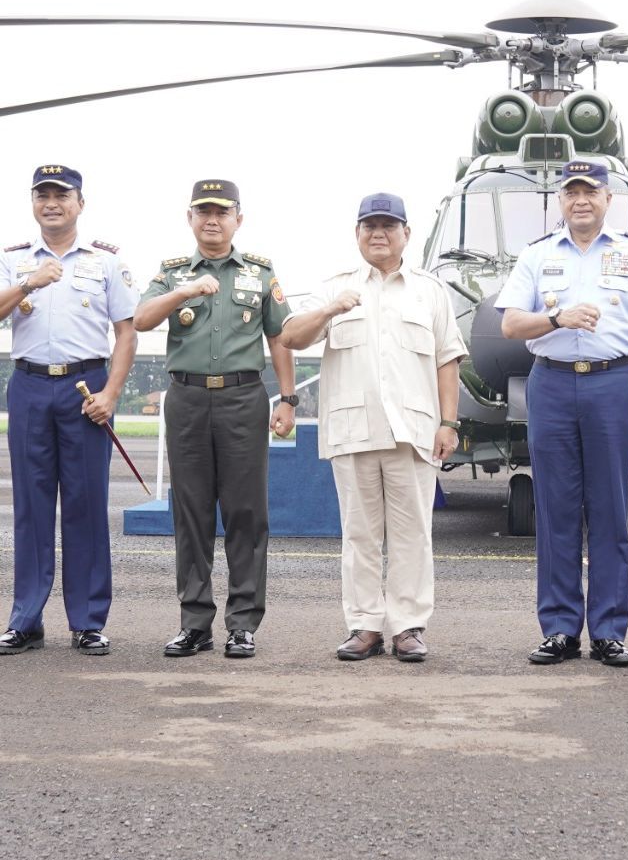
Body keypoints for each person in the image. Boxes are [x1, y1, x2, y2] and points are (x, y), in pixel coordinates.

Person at [280, 192, 466, 662]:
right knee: (360, 535)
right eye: (369, 226)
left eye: (388, 225)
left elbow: (448, 360)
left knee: (412, 534)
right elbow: (290, 336)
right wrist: (328, 311)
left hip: (414, 432)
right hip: (353, 430)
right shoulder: (335, 287)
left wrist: (449, 422)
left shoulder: (430, 291)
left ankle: (407, 627)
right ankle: (364, 625)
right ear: (357, 234)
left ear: (407, 233)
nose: (378, 233)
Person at [497, 159, 628, 668]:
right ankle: (560, 628)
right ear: (560, 201)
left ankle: (610, 630)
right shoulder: (536, 256)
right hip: (550, 383)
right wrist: (556, 317)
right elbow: (510, 326)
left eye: (590, 191)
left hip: (613, 383)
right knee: (556, 511)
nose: (580, 201)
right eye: (571, 192)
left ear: (608, 198)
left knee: (611, 510)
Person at [134, 179, 296, 660]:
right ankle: (194, 623)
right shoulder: (173, 272)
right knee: (191, 514)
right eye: (203, 211)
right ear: (190, 218)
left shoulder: (261, 274)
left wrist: (287, 399)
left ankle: (243, 624)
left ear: (237, 219)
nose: (212, 220)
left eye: (222, 212)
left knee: (246, 513)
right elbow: (141, 319)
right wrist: (185, 290)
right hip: (185, 399)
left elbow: (280, 338)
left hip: (244, 399)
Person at [0, 165, 137, 657]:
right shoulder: (12, 260)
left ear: (81, 203)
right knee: (31, 509)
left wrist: (113, 394)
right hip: (31, 385)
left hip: (86, 388)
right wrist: (29, 284)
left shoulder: (105, 263)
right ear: (33, 203)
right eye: (43, 195)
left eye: (62, 195)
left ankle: (88, 621)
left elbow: (126, 332)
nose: (52, 203)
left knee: (85, 505)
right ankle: (26, 620)